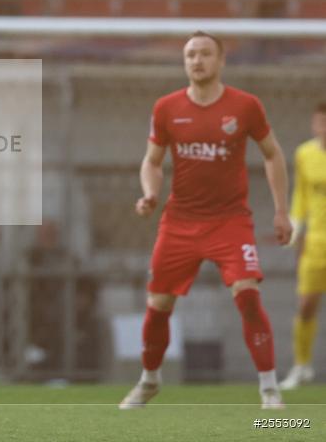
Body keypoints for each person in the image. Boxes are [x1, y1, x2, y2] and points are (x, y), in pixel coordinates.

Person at [119, 32, 292, 410]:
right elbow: (152, 161)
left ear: (221, 60)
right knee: (158, 305)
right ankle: (149, 380)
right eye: (190, 55)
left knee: (247, 295)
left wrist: (281, 210)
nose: (197, 61)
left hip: (230, 221)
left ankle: (269, 389)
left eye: (205, 54)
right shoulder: (166, 107)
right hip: (180, 221)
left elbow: (273, 154)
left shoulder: (245, 106)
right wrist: (150, 192)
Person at [279, 102, 326, 389]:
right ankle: (301, 365)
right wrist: (295, 226)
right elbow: (301, 195)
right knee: (307, 304)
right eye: (319, 122)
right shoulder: (304, 154)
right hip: (317, 242)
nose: (323, 127)